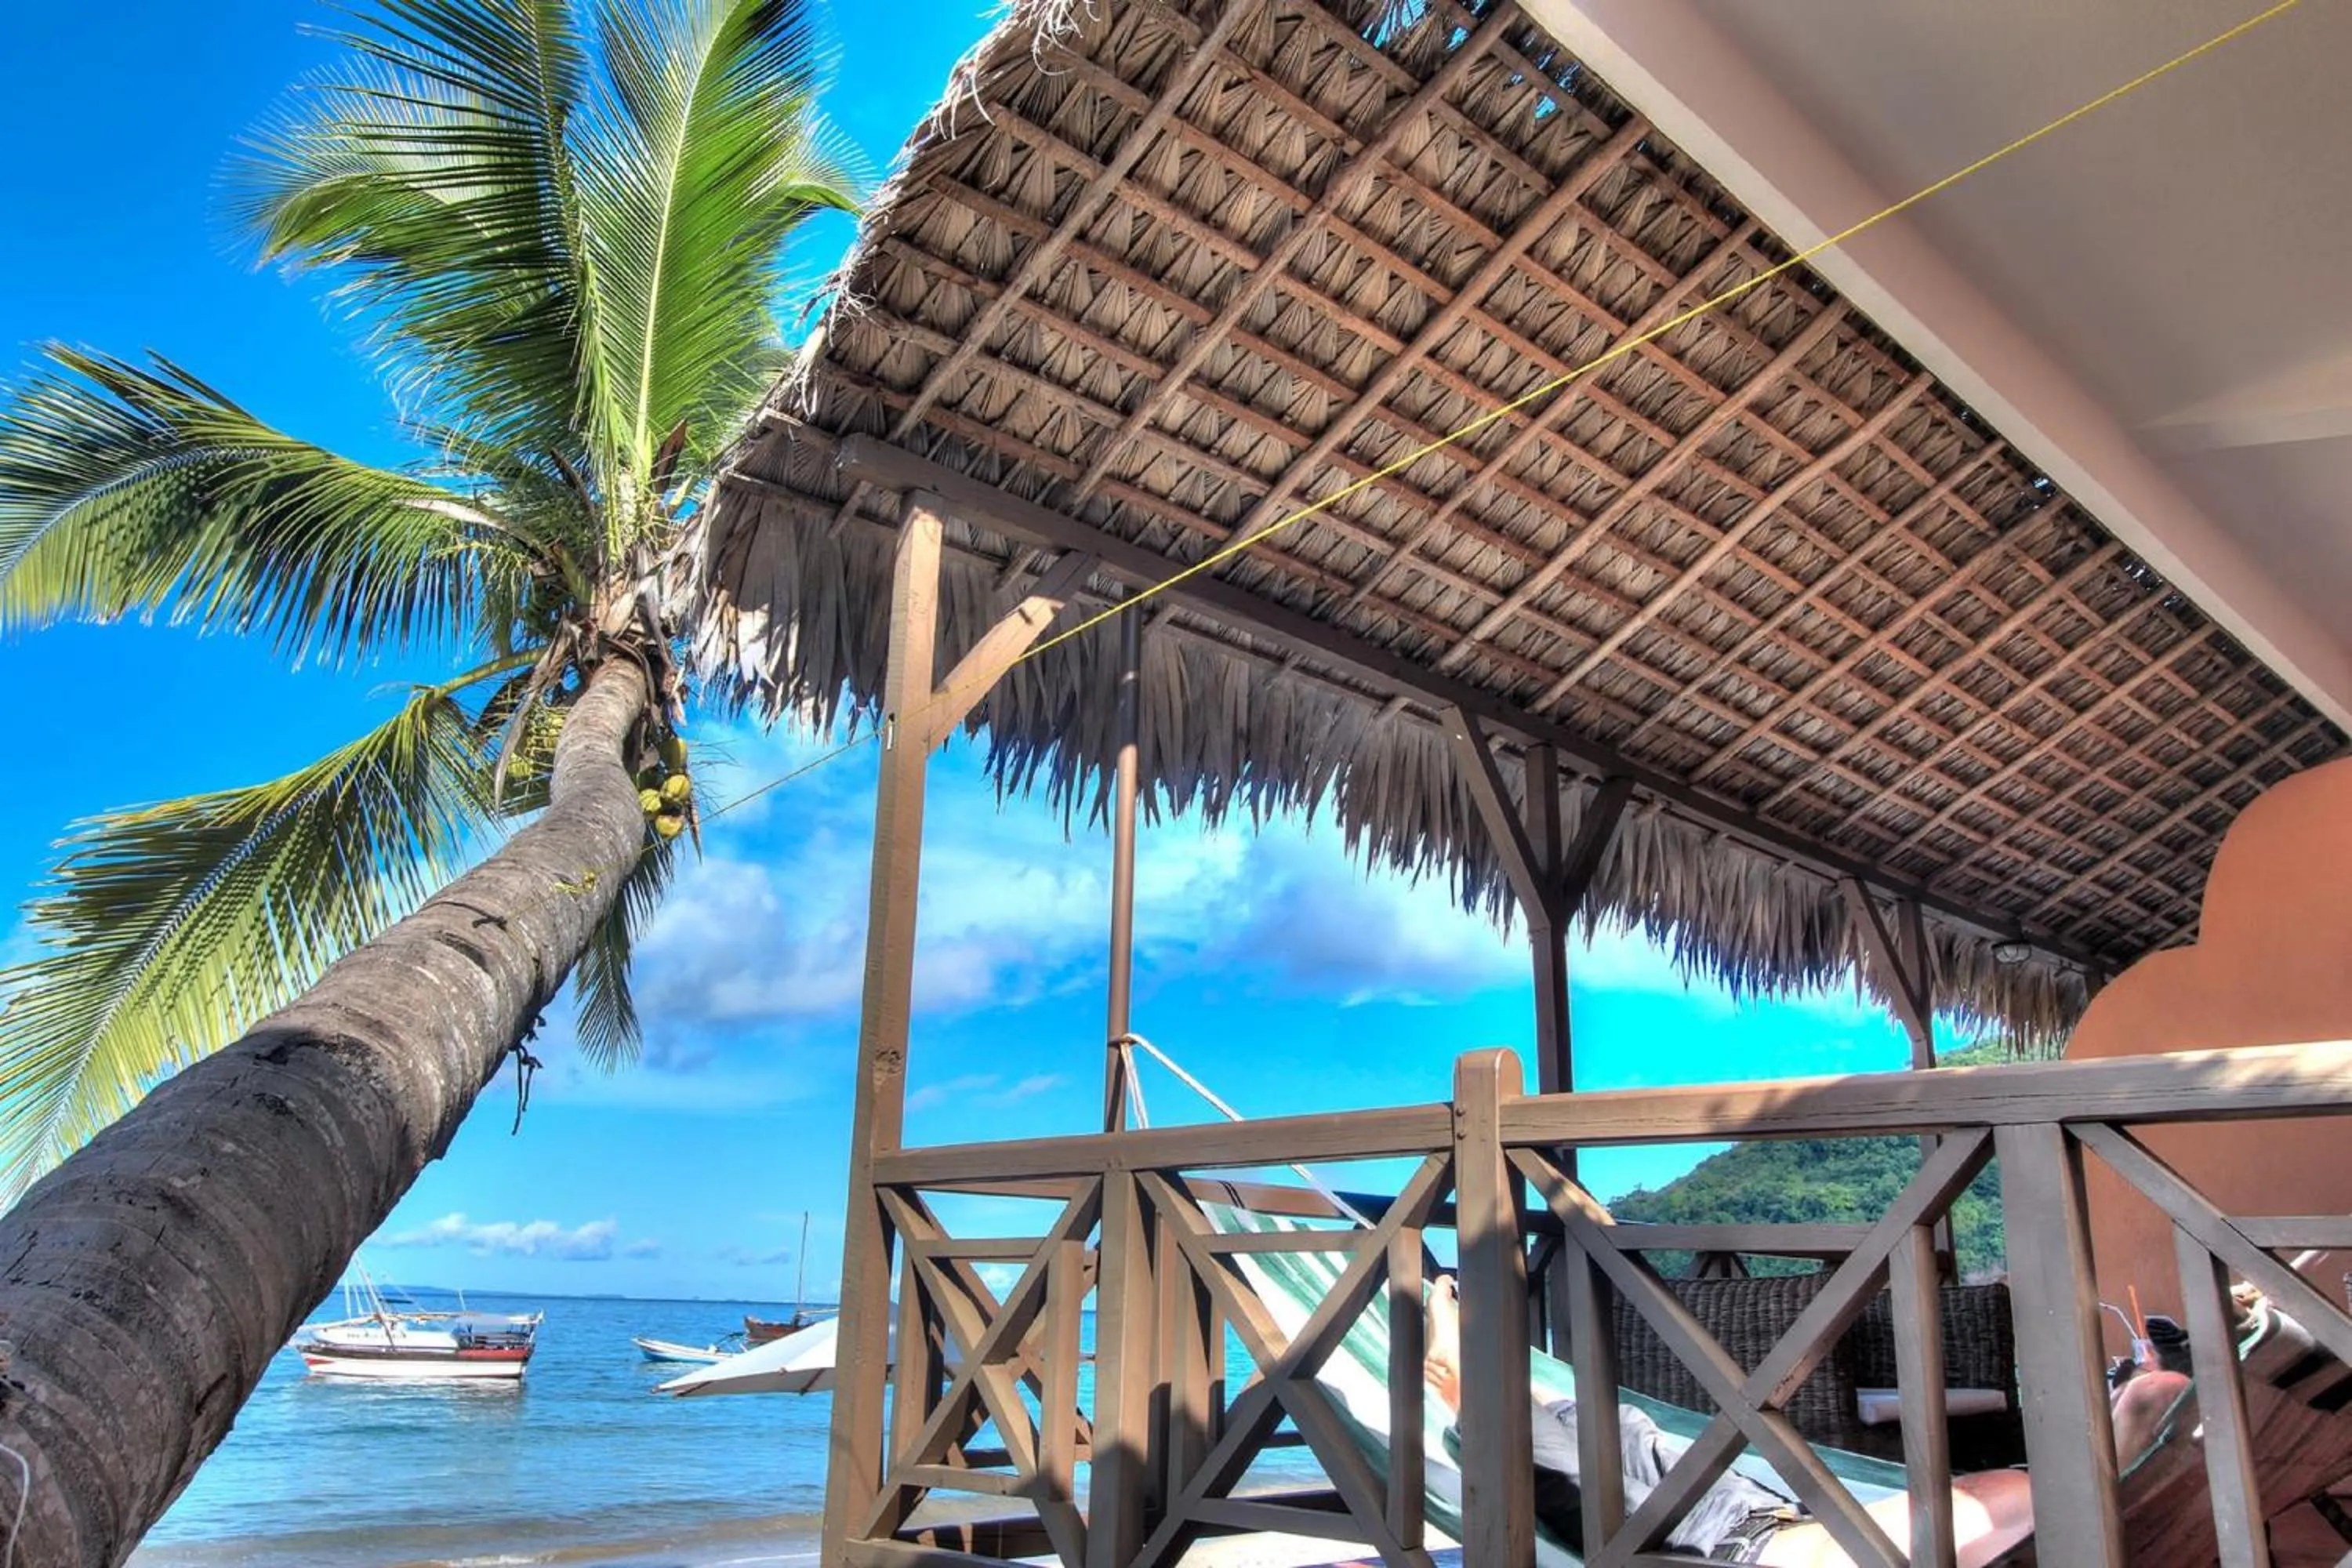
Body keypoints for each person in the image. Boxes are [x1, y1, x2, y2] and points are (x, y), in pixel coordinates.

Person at [1421, 1276, 2186, 1566]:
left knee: (1574, 1463)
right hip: (1762, 1518)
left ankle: (1470, 1386)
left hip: (1735, 1542)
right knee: (1616, 1429)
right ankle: (1494, 1384)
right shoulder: (2054, 1510)